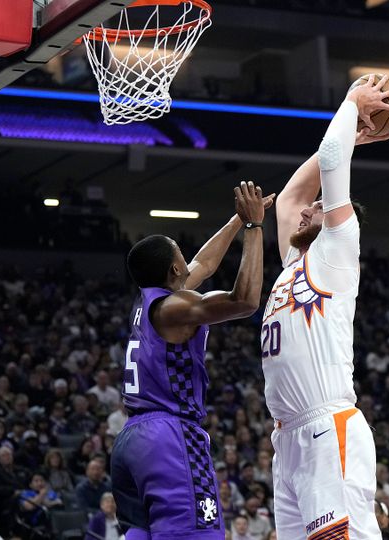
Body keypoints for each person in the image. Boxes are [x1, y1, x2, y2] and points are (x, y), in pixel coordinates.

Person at [264, 75, 389, 539]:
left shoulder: (336, 250)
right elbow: (287, 200)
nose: (306, 212)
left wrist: (349, 105)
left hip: (329, 426)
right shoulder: (295, 264)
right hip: (288, 438)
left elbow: (332, 161)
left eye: (319, 208)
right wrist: (357, 135)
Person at [110, 179, 271, 539]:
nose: (187, 259)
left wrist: (237, 219)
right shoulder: (175, 307)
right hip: (169, 435)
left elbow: (205, 262)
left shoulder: (151, 299)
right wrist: (254, 227)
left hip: (132, 440)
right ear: (172, 271)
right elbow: (244, 300)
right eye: (179, 254)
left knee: (141, 534)